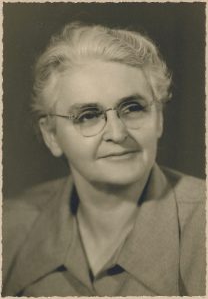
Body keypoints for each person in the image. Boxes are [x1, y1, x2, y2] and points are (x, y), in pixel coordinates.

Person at [2, 22, 205, 296]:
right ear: (51, 135)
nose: (118, 133)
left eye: (133, 108)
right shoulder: (10, 229)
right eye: (87, 115)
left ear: (159, 119)